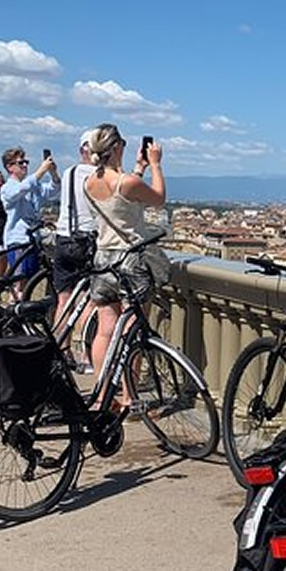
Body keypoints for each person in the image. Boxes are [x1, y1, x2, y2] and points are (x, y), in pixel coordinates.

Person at [83, 123, 165, 400]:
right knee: (132, 331)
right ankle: (130, 397)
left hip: (102, 259)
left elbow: (123, 196)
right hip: (130, 260)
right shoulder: (126, 183)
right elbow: (158, 199)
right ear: (117, 148)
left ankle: (104, 393)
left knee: (105, 331)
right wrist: (155, 165)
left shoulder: (89, 183)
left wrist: (138, 168)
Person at [53, 130, 97, 368]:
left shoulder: (69, 172)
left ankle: (62, 349)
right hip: (85, 242)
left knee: (63, 300)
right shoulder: (97, 175)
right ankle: (86, 355)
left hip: (62, 238)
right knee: (89, 301)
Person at [0, 146, 60, 280]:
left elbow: (52, 191)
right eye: (20, 163)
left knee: (29, 279)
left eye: (26, 162)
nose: (25, 165)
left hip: (33, 239)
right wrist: (41, 170)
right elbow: (20, 190)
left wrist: (53, 173)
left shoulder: (33, 186)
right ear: (10, 167)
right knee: (18, 281)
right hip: (18, 239)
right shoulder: (7, 188)